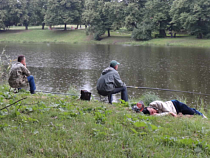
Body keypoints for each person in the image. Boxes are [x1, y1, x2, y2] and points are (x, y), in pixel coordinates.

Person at [133, 100, 207, 118]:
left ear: (150, 108)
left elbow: (168, 110)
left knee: (191, 111)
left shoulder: (154, 103)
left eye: (152, 111)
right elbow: (168, 114)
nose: (153, 113)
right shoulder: (155, 115)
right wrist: (158, 115)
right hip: (176, 111)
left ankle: (202, 115)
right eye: (151, 114)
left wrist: (169, 113)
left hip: (175, 104)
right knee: (188, 112)